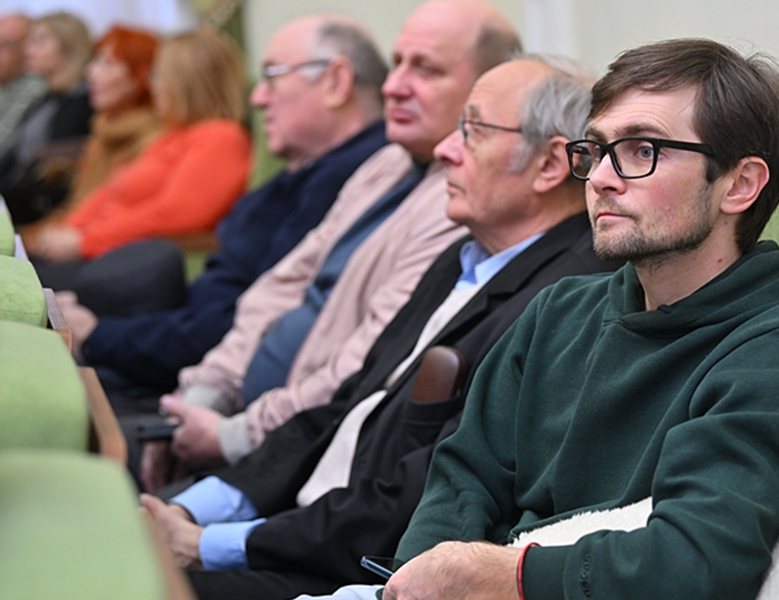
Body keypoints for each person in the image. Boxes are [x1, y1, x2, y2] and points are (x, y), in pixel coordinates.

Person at [200, 37, 779, 600]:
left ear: (739, 185)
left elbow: (697, 567)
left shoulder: (778, 348)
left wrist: (498, 574)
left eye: (640, 150)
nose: (600, 178)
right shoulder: (560, 309)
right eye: (596, 149)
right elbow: (459, 484)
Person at [143, 54, 618, 600]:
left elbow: (424, 487)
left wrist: (210, 544)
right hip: (296, 525)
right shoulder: (464, 254)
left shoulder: (564, 301)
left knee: (121, 596)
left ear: (549, 165)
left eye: (472, 130)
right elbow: (347, 401)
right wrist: (193, 509)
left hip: (363, 573)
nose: (444, 149)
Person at [135, 0, 521, 489]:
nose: (392, 85)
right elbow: (277, 289)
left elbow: (366, 362)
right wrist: (204, 397)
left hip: (293, 457)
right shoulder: (385, 163)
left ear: (486, 89)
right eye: (396, 62)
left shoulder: (465, 204)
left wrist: (233, 436)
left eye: (425, 69)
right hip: (236, 419)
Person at [53, 15, 390, 401]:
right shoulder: (310, 173)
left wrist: (98, 334)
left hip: (204, 383)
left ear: (336, 83)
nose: (257, 99)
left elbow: (237, 328)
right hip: (182, 357)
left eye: (272, 77)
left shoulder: (348, 182)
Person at [27, 27, 251, 280]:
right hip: (98, 252)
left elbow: (177, 214)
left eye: (158, 75)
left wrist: (84, 241)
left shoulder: (221, 136)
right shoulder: (174, 134)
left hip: (118, 260)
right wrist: (68, 231)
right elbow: (109, 193)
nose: (153, 85)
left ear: (187, 83)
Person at [17, 25, 162, 240]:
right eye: (96, 61)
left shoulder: (150, 140)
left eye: (107, 64)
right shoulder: (104, 131)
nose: (91, 73)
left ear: (139, 77)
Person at [0, 11, 93, 224]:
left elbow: (51, 172)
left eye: (39, 41)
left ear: (69, 47)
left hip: (38, 207)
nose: (28, 50)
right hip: (17, 197)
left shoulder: (83, 102)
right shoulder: (46, 99)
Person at [0, 13, 45, 162]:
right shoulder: (5, 81)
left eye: (5, 46)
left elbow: (3, 144)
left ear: (27, 53)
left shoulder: (34, 88)